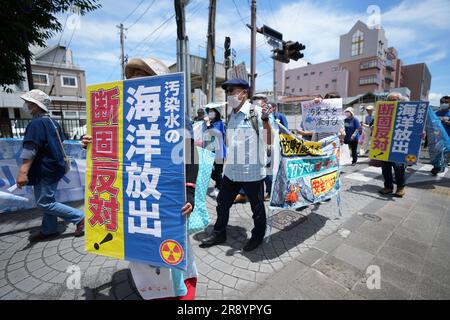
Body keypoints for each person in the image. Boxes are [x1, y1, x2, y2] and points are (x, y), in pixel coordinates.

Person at [82, 56, 199, 300]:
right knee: (141, 254)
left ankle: (181, 296)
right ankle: (153, 294)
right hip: (134, 197)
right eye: (131, 79)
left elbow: (189, 153)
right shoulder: (122, 116)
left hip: (165, 199)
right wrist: (92, 145)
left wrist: (189, 191)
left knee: (173, 254)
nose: (134, 84)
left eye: (141, 78)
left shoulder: (174, 115)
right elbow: (111, 152)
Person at [200, 79, 272, 252]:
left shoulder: (258, 113)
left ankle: (257, 236)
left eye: (233, 91)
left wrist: (266, 121)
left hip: (251, 171)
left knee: (257, 208)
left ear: (244, 93)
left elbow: (270, 140)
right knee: (222, 203)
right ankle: (219, 233)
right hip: (232, 171)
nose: (230, 94)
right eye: (228, 92)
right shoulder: (231, 114)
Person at [17, 89, 84, 242]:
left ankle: (79, 217)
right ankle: (49, 229)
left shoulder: (36, 123)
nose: (26, 106)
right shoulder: (53, 122)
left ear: (36, 106)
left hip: (44, 169)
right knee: (48, 200)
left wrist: (22, 172)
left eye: (28, 103)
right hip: (55, 167)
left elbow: (30, 149)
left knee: (44, 202)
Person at [378, 92, 408, 197]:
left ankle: (400, 187)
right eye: (389, 100)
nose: (392, 102)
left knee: (398, 167)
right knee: (385, 167)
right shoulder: (384, 112)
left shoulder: (406, 113)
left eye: (394, 100)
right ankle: (388, 187)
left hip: (399, 144)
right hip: (385, 144)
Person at [203, 103, 227, 198]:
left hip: (219, 152)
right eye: (209, 111)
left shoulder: (220, 123)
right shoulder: (209, 123)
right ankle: (220, 184)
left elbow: (216, 133)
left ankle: (220, 189)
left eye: (212, 111)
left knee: (218, 172)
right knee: (208, 170)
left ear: (217, 113)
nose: (210, 113)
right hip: (210, 151)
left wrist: (208, 125)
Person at [431, 96, 450, 175]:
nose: (444, 104)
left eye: (446, 102)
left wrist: (446, 122)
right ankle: (437, 167)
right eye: (442, 102)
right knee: (437, 152)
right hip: (437, 136)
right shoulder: (436, 113)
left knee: (445, 152)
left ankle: (441, 166)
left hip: (448, 136)